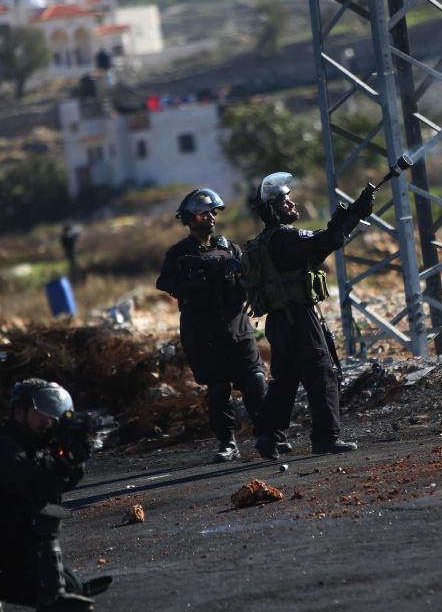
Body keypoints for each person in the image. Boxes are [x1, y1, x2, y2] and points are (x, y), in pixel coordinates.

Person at [246, 173, 374, 459]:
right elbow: (328, 240)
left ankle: (267, 436)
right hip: (300, 318)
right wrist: (355, 214)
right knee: (322, 373)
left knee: (285, 379)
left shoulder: (266, 242)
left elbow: (320, 245)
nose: (292, 205)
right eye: (284, 202)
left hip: (279, 322)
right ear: (272, 210)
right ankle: (326, 439)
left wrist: (348, 218)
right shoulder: (287, 237)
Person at [156, 188, 281, 462]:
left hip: (238, 327)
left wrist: (240, 275)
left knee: (255, 381)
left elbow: (250, 278)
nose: (211, 217)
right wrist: (196, 280)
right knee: (218, 389)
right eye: (204, 213)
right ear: (190, 219)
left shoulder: (229, 247)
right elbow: (165, 283)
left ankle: (268, 436)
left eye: (213, 213)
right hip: (203, 333)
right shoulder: (179, 253)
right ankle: (227, 443)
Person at [0, 379, 109, 611]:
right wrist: (64, 462)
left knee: (74, 590)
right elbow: (34, 487)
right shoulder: (3, 445)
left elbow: (61, 484)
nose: (48, 421)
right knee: (44, 516)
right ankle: (52, 596)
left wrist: (75, 456)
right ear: (20, 413)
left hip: (22, 530)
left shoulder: (39, 443)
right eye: (41, 412)